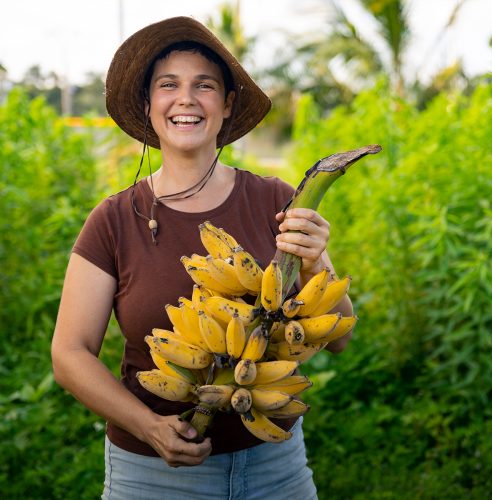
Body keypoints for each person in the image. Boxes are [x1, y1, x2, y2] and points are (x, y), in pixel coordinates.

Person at [51, 16, 353, 500]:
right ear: (149, 105)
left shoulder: (277, 201)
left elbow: (338, 338)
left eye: (204, 86)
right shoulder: (113, 220)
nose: (186, 99)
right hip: (151, 475)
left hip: (274, 467)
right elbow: (69, 354)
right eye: (168, 85)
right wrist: (148, 425)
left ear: (227, 104)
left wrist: (318, 265)